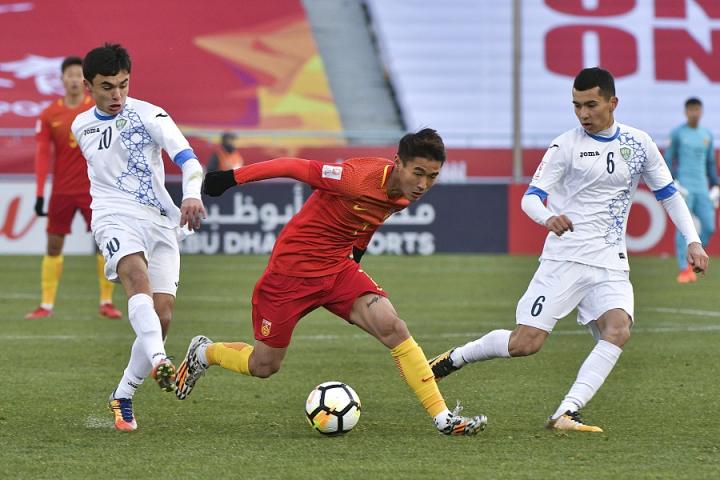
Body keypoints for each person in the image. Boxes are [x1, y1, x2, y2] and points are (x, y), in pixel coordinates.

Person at [429, 67, 709, 432]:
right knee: (525, 343)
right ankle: (456, 358)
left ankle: (566, 412)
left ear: (613, 102)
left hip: (610, 262)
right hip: (564, 259)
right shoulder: (565, 146)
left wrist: (692, 240)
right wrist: (548, 218)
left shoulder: (640, 144)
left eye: (591, 105)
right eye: (576, 105)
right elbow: (531, 198)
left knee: (618, 329)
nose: (583, 113)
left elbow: (669, 195)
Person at [176, 128, 487, 436]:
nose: (423, 185)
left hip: (338, 269)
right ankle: (205, 353)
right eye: (418, 173)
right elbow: (290, 166)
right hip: (290, 275)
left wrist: (357, 255)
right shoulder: (354, 178)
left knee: (394, 327)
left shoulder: (404, 195)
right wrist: (229, 179)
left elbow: (369, 220)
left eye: (432, 177)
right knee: (264, 365)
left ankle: (443, 418)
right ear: (398, 163)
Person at [70, 43, 206, 432]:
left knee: (162, 315)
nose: (117, 95)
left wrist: (191, 195)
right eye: (107, 87)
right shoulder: (80, 126)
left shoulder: (150, 115)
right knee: (135, 276)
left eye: (124, 85)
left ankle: (123, 394)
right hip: (112, 216)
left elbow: (188, 159)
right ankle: (161, 360)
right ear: (88, 86)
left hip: (160, 221)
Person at [25, 56, 122, 321]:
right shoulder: (49, 114)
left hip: (95, 190)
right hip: (62, 191)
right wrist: (40, 193)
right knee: (53, 244)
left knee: (105, 245)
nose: (74, 80)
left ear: (86, 80)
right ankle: (46, 305)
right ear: (62, 79)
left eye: (79, 75)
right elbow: (42, 154)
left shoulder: (98, 109)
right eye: (69, 75)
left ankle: (106, 302)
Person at [665, 97, 718, 283]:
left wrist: (716, 184)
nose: (694, 113)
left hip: (702, 188)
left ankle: (694, 256)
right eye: (691, 110)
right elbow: (668, 159)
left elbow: (710, 163)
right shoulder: (678, 134)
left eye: (697, 110)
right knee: (684, 228)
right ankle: (684, 268)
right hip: (684, 188)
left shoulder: (707, 135)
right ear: (686, 112)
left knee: (709, 226)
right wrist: (673, 182)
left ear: (701, 111)